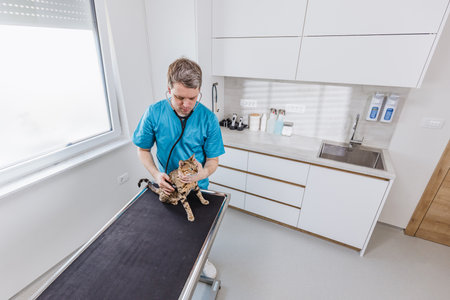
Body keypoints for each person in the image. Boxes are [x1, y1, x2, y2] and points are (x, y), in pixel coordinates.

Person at [133, 57, 225, 278]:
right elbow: (143, 150)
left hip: (198, 186)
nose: (186, 104)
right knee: (171, 230)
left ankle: (201, 260)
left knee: (198, 230)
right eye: (179, 97)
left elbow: (213, 161)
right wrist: (156, 174)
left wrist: (202, 173)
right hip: (167, 185)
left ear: (199, 91)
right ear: (168, 90)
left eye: (192, 98)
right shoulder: (154, 113)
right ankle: (175, 261)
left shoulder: (208, 119)